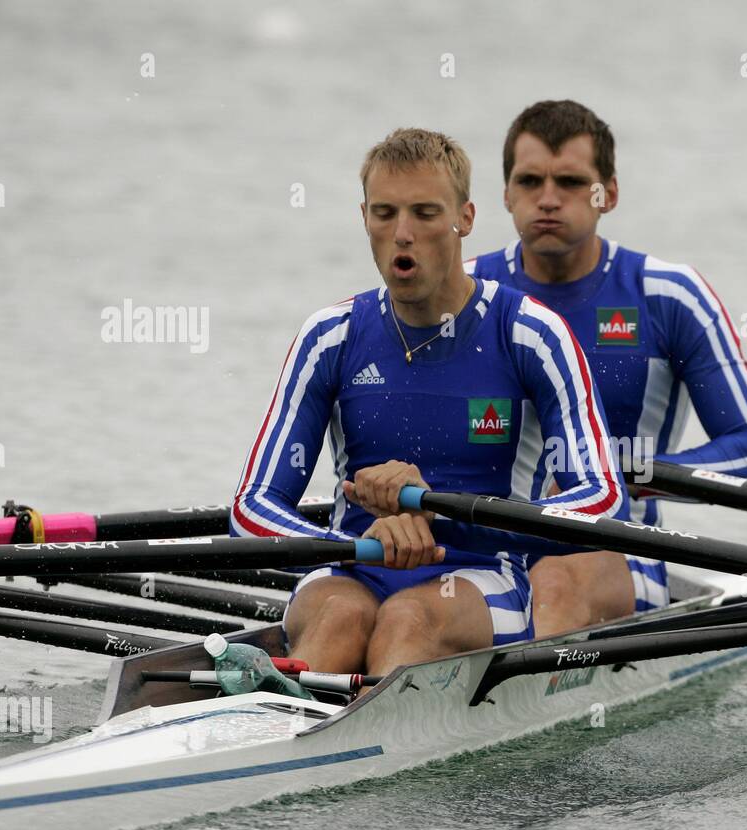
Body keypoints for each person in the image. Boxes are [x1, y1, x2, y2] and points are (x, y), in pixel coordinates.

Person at [231, 128, 625, 679]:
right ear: (363, 217)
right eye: (385, 214)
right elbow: (251, 510)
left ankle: (337, 731)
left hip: (484, 573)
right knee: (341, 617)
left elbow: (603, 500)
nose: (402, 235)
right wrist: (353, 543)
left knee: (409, 618)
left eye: (425, 213)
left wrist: (434, 510)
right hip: (355, 563)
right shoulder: (330, 336)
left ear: (465, 218)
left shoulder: (532, 333)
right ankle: (279, 728)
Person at [467, 100, 747, 635]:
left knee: (557, 580)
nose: (547, 199)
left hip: (616, 549)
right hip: (482, 550)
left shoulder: (668, 296)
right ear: (505, 194)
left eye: (570, 181)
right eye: (529, 181)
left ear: (607, 194)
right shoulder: (465, 293)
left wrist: (625, 476)